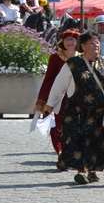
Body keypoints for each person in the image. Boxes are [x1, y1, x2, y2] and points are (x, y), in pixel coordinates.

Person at [43, 31, 104, 185]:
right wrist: (51, 103)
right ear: (83, 45)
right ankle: (81, 171)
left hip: (100, 110)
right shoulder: (73, 63)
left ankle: (92, 171)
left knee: (97, 140)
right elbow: (59, 85)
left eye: (97, 43)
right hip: (76, 110)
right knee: (77, 139)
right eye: (92, 43)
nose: (96, 46)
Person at [33, 28, 82, 170]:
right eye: (67, 39)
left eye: (73, 39)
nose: (70, 42)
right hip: (58, 97)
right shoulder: (55, 58)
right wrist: (42, 100)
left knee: (77, 126)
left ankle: (74, 153)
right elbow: (48, 79)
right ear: (62, 42)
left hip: (77, 97)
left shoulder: (83, 57)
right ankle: (61, 153)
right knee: (57, 126)